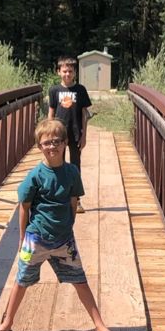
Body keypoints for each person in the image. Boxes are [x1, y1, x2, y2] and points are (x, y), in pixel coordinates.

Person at [0, 117, 119, 331]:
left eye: (57, 141)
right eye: (46, 143)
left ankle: (99, 325)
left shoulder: (72, 172)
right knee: (21, 280)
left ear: (65, 143)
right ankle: (7, 322)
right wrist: (22, 238)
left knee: (80, 280)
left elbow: (73, 201)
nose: (52, 146)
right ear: (39, 147)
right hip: (35, 238)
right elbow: (24, 206)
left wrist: (68, 226)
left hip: (64, 240)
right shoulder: (35, 175)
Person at [48, 56, 92, 213]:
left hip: (75, 133)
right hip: (58, 134)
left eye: (70, 71)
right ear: (58, 72)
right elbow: (51, 112)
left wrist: (84, 135)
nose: (67, 74)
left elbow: (84, 114)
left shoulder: (80, 90)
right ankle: (58, 198)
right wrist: (49, 133)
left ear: (75, 73)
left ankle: (76, 200)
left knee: (75, 166)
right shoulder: (54, 90)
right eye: (64, 71)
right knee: (56, 164)